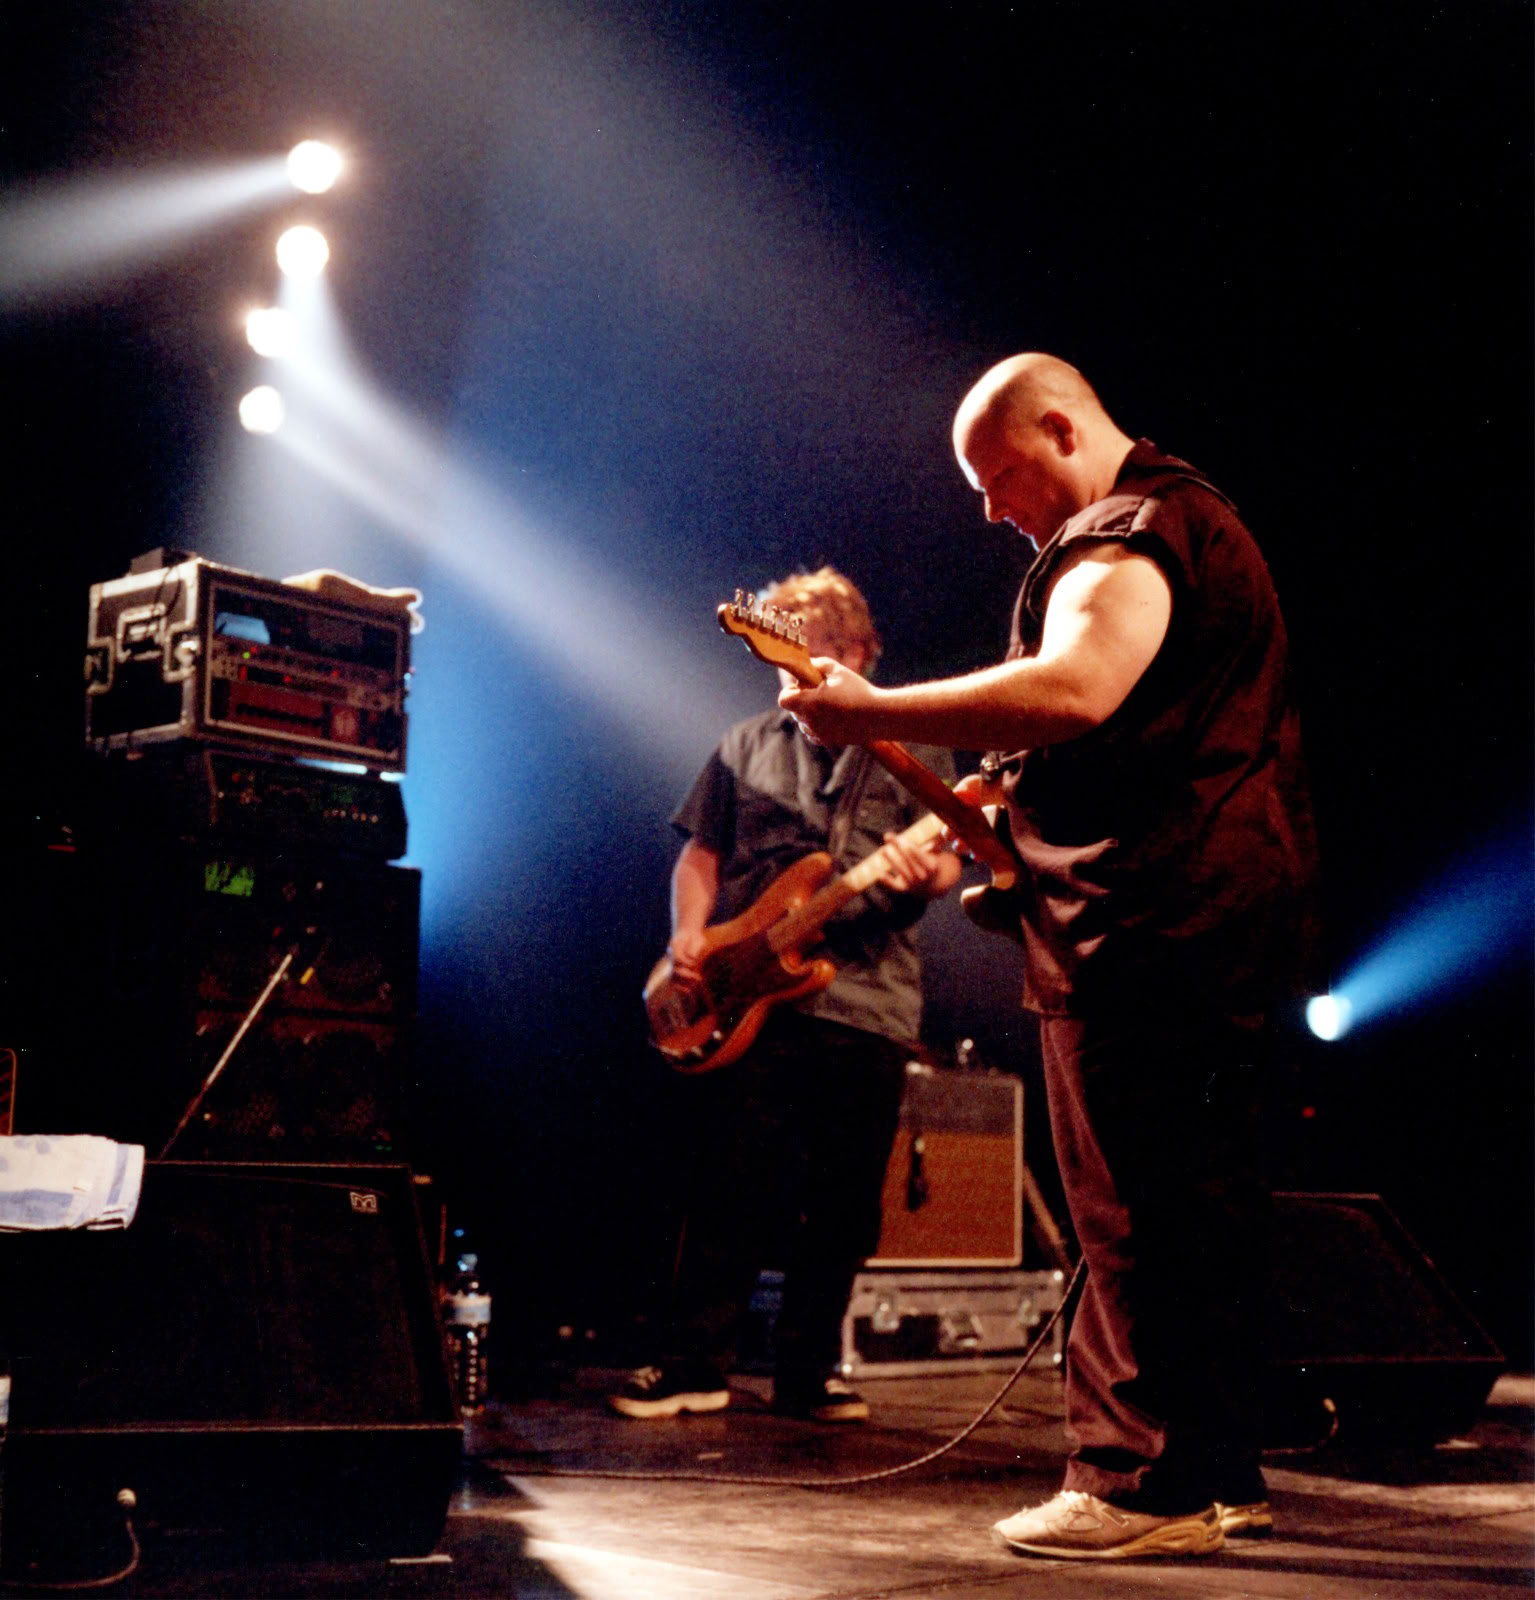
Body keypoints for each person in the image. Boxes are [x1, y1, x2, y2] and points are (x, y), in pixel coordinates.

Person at [781, 355, 1319, 1558]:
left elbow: (1076, 686)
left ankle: (1137, 1486)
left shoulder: (1126, 531)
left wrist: (870, 712)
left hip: (1143, 926)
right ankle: (1215, 1474)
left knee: (1128, 1205)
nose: (988, 510)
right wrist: (1008, 798)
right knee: (1197, 1204)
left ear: (1063, 430)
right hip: (1215, 912)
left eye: (998, 474)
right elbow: (1130, 727)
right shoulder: (1195, 522)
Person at [612, 566, 962, 1424]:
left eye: (809, 650)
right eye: (779, 651)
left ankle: (808, 1373)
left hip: (870, 1000)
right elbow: (700, 854)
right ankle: (694, 1365)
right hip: (748, 998)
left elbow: (948, 860)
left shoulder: (915, 746)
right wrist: (688, 933)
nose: (788, 667)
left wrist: (925, 875)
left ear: (857, 652)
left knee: (843, 1204)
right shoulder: (743, 744)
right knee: (729, 1186)